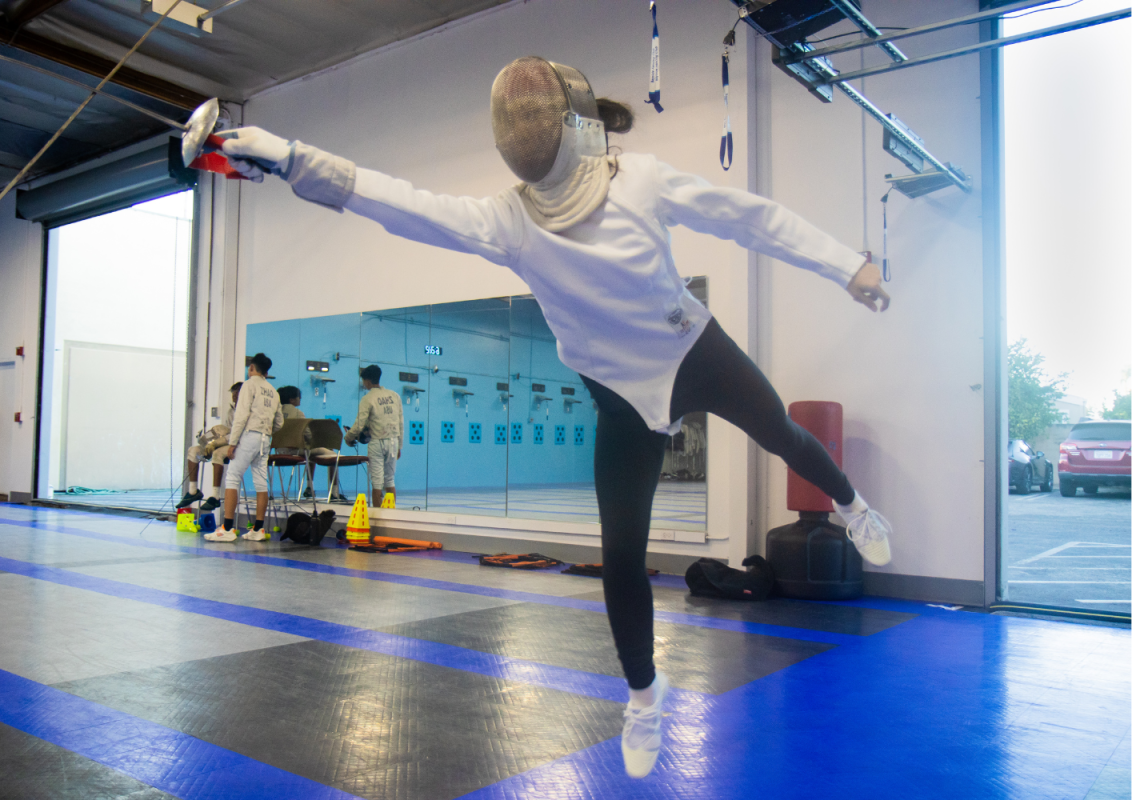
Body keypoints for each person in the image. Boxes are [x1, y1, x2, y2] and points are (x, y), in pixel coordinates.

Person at [218, 56, 894, 778]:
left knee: (783, 435)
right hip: (617, 394)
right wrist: (292, 160)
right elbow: (401, 202)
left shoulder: (642, 179)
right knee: (622, 554)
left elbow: (749, 218)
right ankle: (643, 697)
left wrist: (843, 264)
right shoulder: (508, 220)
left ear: (573, 126)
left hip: (693, 347)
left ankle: (855, 510)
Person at [204, 353, 283, 542]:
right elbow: (279, 422)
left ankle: (227, 529)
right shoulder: (273, 391)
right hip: (266, 439)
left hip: (249, 436)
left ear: (252, 368)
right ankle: (258, 529)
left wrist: (233, 443)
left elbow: (240, 416)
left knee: (233, 477)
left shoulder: (248, 385)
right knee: (261, 482)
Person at [343, 365, 402, 507]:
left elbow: (358, 425)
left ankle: (378, 516)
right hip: (393, 441)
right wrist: (400, 445)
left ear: (367, 381)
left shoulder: (367, 398)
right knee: (390, 481)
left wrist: (348, 438)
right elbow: (401, 424)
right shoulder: (394, 396)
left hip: (377, 442)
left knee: (376, 482)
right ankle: (391, 514)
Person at [178, 382, 241, 511]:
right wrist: (211, 440)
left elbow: (237, 434)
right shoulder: (231, 411)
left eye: (237, 394)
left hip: (238, 445)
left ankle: (215, 496)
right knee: (193, 451)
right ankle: (193, 491)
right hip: (226, 442)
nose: (234, 397)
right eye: (233, 394)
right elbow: (228, 430)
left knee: (218, 454)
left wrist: (216, 444)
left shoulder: (247, 411)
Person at [276, 385, 340, 500]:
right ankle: (334, 492)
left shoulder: (276, 412)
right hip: (295, 451)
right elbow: (308, 435)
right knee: (332, 453)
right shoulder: (298, 413)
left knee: (310, 451)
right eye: (299, 397)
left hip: (279, 451)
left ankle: (309, 488)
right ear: (292, 400)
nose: (300, 400)